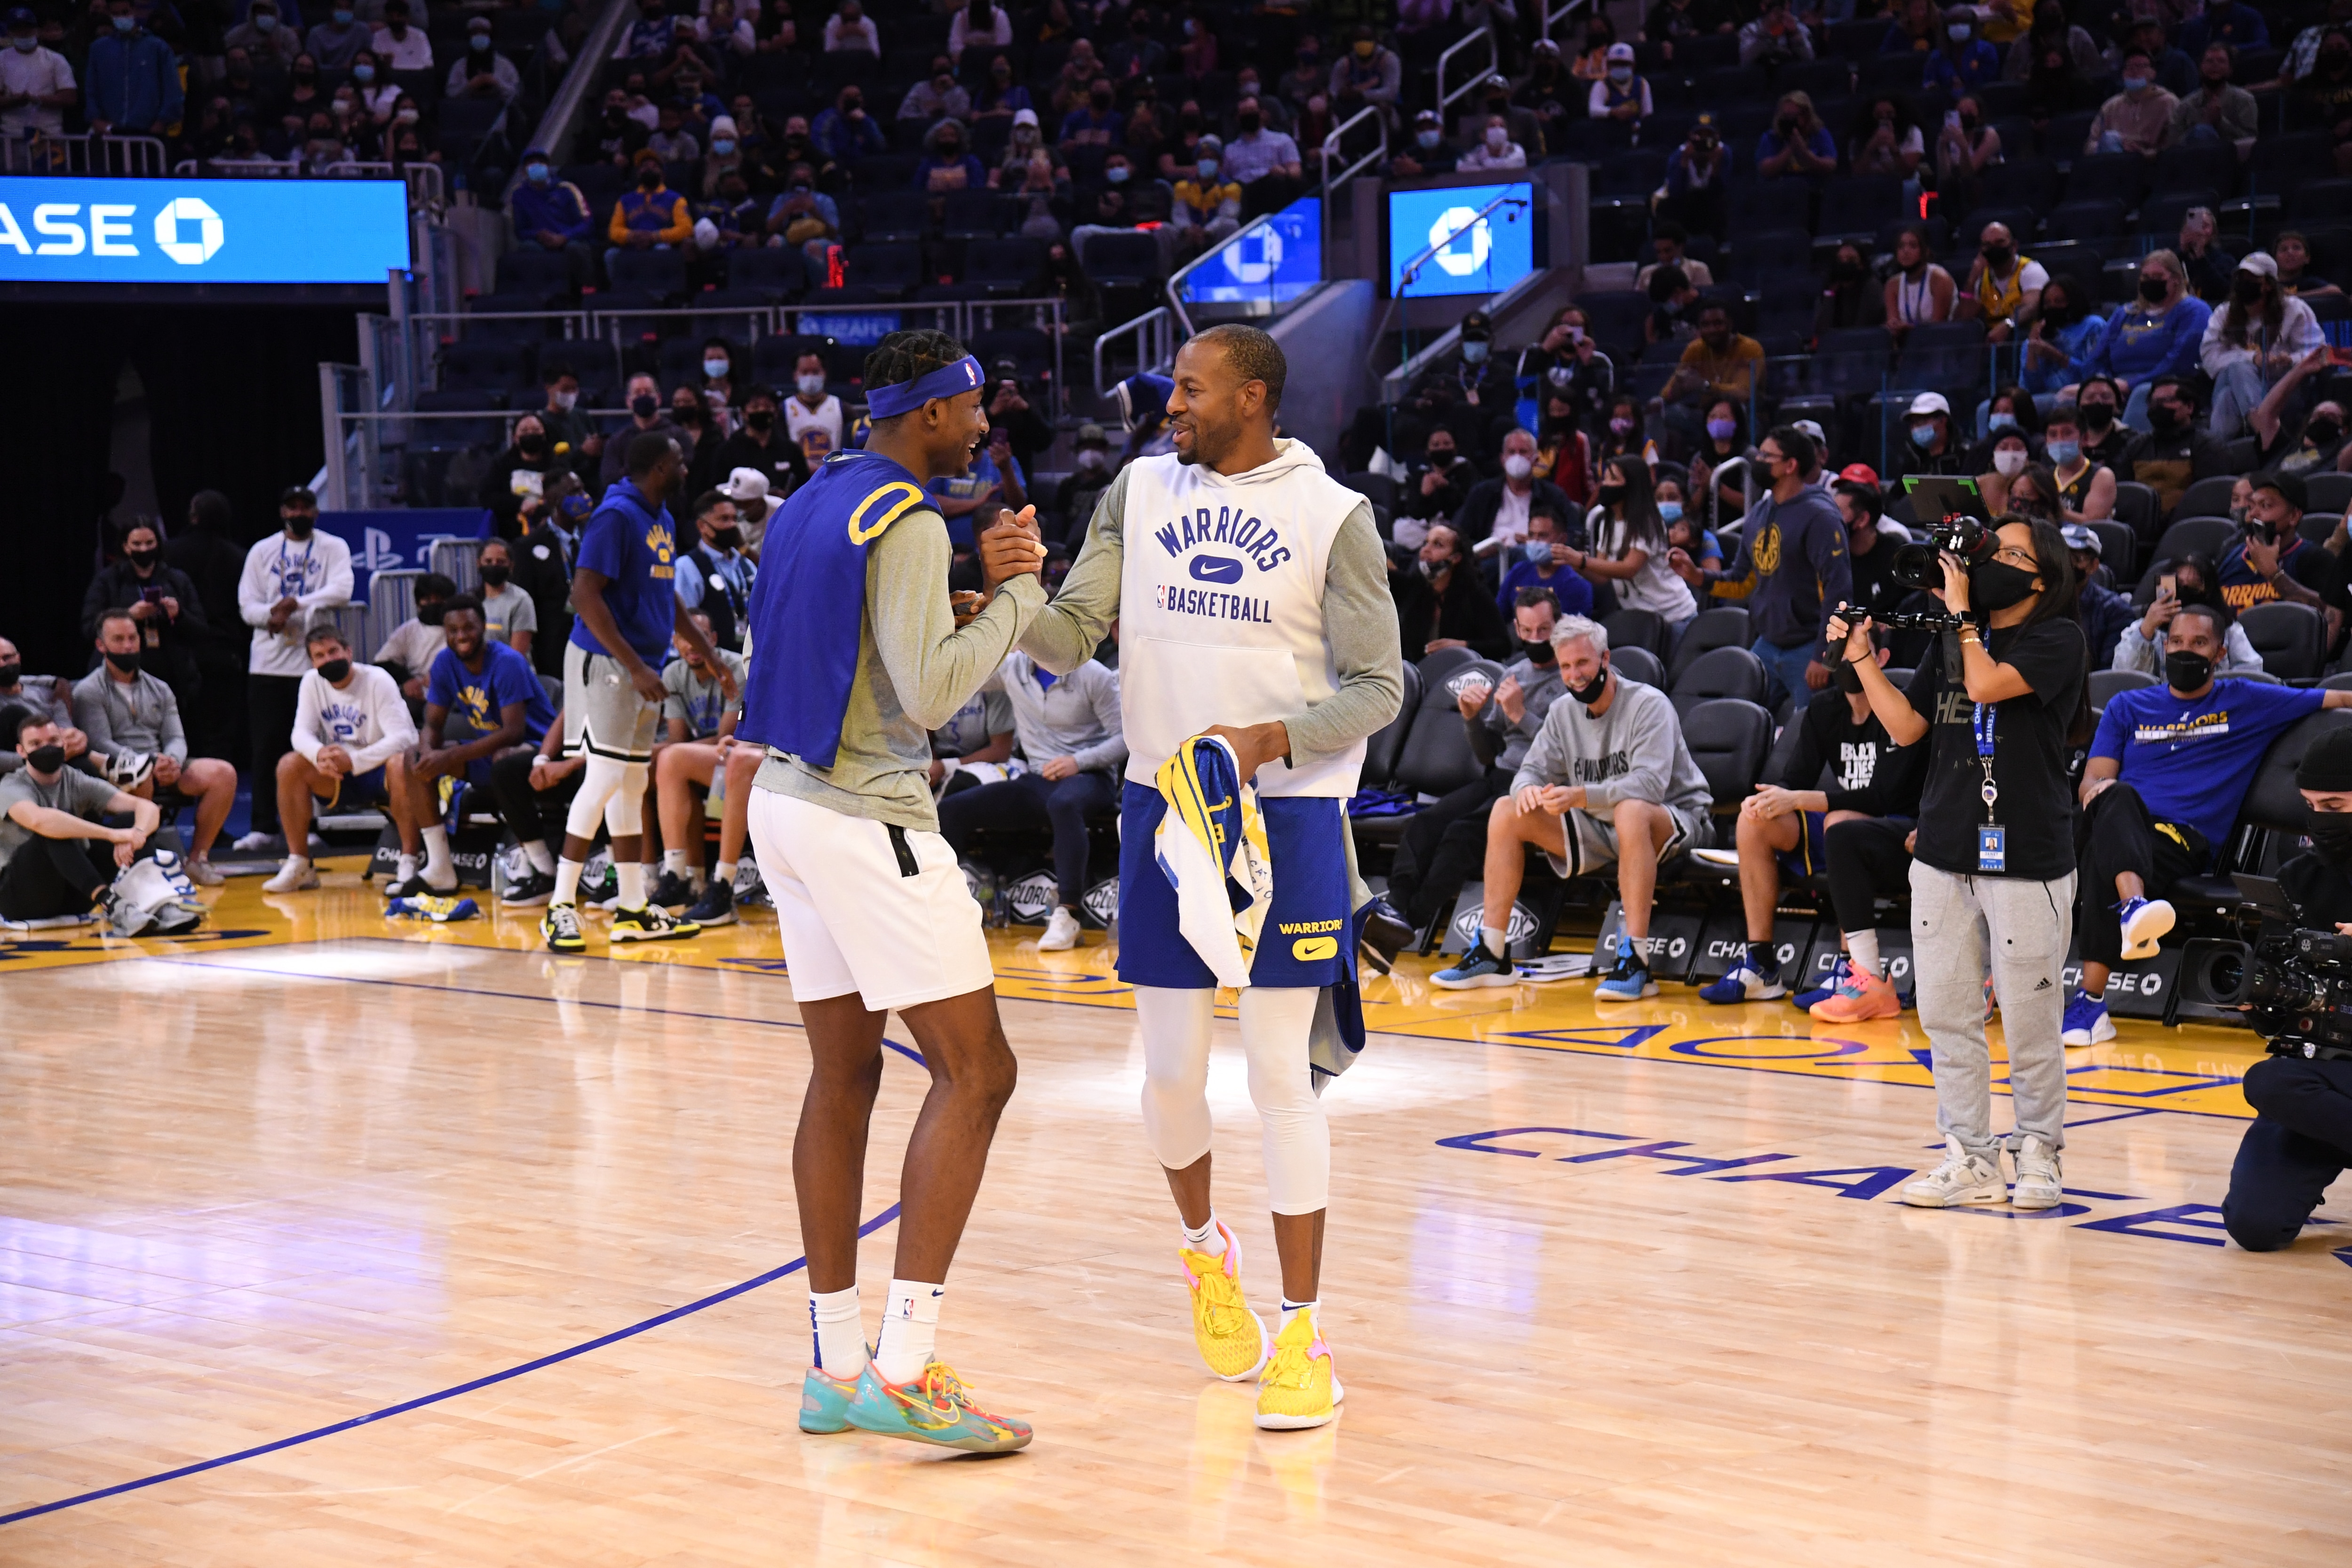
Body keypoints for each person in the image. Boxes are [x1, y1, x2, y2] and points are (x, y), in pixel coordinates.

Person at [1013, 323, 1401, 1433]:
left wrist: (1271, 738)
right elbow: (1068, 635)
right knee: (1174, 1071)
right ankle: (1204, 1251)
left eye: (1190, 387)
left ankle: (1305, 1336)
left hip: (1289, 815)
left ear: (1252, 397)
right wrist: (1012, 591)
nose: (1170, 402)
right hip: (1161, 804)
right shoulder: (1135, 491)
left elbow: (1378, 687)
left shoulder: (1335, 517)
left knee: (1280, 1073)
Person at [736, 329, 1049, 1451]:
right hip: (868, 816)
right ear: (928, 416)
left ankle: (833, 1368)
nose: (981, 422)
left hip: (782, 797)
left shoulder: (814, 497)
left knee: (844, 1073)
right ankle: (906, 1371)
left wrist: (958, 597)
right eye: (971, 407)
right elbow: (927, 700)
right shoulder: (909, 518)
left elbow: (853, 651)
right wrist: (1013, 598)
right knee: (980, 1071)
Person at [1826, 516, 2087, 1210]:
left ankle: (2039, 1151)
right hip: (1944, 853)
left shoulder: (2059, 638)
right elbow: (1908, 728)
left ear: (2043, 575)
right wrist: (1861, 659)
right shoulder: (1953, 637)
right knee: (1946, 1016)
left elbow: (1986, 688)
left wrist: (1963, 616)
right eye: (1988, 550)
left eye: (2010, 553)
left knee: (2031, 1024)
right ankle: (1970, 1154)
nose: (1990, 561)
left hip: (2028, 857)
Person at [2069, 606, 2352, 1045]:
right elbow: (2094, 780)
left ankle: (2091, 998)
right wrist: (2101, 798)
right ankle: (2133, 910)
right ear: (2164, 648)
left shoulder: (2246, 699)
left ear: (2220, 653)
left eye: (2199, 643)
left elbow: (2335, 699)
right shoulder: (2128, 705)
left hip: (2178, 839)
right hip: (2112, 817)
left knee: (2101, 858)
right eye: (2177, 642)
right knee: (2117, 796)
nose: (2186, 650)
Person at [1433, 613, 1713, 999]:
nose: (1575, 674)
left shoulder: (1649, 705)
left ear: (1605, 658)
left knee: (1630, 810)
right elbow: (1529, 769)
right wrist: (1527, 790)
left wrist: (1580, 795)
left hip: (1673, 817)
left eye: (1582, 662)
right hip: (1602, 825)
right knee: (1505, 810)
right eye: (1566, 666)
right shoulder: (1563, 711)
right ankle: (1492, 953)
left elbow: (1649, 785)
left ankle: (1636, 962)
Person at [541, 433, 734, 951]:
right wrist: (633, 667)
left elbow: (662, 594)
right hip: (605, 662)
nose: (685, 468)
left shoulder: (662, 519)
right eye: (677, 461)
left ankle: (631, 907)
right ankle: (559, 905)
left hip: (640, 664)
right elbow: (584, 594)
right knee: (605, 776)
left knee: (631, 784)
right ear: (655, 469)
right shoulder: (616, 516)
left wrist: (711, 657)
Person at [1699, 624, 1929, 1006]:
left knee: (1843, 823)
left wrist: (1801, 798)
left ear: (1883, 659)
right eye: (1837, 649)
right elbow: (1793, 783)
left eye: (1857, 648)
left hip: (1896, 829)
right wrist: (1771, 800)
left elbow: (1883, 797)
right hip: (1842, 824)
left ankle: (1850, 967)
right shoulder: (1824, 709)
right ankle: (1760, 963)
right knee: (1754, 820)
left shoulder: (1900, 710)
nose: (1845, 657)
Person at [2222, 726, 2352, 1252]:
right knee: (2252, 1226)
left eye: (2334, 804)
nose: (2319, 819)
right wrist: (2261, 1001)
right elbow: (2284, 1009)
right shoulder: (2297, 877)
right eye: (2308, 805)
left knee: (2271, 1084)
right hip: (2321, 1070)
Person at [1388, 589, 1569, 938]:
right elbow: (1488, 754)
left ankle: (1413, 920)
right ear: (1516, 627)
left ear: (1558, 625)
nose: (1535, 639)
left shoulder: (1572, 677)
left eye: (1544, 630)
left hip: (1541, 784)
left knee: (1463, 833)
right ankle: (1394, 905)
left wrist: (1521, 714)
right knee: (1426, 821)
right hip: (1499, 776)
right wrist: (1471, 718)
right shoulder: (1513, 675)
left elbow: (1568, 749)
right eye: (1527, 631)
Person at [938, 651, 1123, 950]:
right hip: (1037, 780)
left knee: (1063, 804)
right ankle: (941, 906)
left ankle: (1068, 915)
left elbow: (1125, 739)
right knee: (952, 809)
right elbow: (959, 676)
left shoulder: (1094, 675)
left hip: (1091, 778)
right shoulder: (1012, 668)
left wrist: (1078, 761)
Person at [1675, 426, 1851, 707]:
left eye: (1767, 456)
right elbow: (1743, 581)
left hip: (1808, 649)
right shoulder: (1759, 513)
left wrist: (1824, 656)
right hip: (1766, 645)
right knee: (1739, 722)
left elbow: (1838, 594)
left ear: (1790, 466)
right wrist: (1697, 576)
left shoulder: (1821, 517)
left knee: (1808, 736)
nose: (1757, 461)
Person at [400, 595, 557, 899]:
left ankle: (542, 867)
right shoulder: (444, 662)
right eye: (453, 630)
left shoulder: (508, 661)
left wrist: (450, 755)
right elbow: (432, 723)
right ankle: (439, 866)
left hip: (538, 750)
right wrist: (429, 754)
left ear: (483, 627)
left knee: (503, 758)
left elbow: (513, 733)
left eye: (469, 628)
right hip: (488, 751)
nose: (461, 636)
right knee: (413, 757)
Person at [72, 609, 236, 884]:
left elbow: (176, 737)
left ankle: (197, 860)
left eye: (133, 638)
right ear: (102, 646)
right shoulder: (88, 692)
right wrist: (148, 762)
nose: (128, 646)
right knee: (140, 775)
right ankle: (144, 863)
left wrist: (171, 760)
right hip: (116, 769)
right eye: (119, 639)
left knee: (223, 773)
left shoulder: (160, 688)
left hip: (160, 764)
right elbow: (100, 743)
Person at [235, 487, 353, 851]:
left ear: (316, 511)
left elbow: (343, 589)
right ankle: (262, 826)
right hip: (269, 663)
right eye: (293, 506)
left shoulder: (333, 547)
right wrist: (272, 615)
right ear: (283, 510)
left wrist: (295, 604)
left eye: (306, 506)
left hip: (313, 664)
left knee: (312, 744)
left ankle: (310, 823)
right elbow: (246, 604)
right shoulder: (262, 550)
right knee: (266, 746)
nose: (299, 512)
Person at [264, 625, 421, 893]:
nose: (328, 659)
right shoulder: (311, 682)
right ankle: (300, 864)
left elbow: (404, 738)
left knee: (399, 763)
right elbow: (300, 733)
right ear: (313, 662)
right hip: (345, 771)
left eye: (333, 651)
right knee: (290, 765)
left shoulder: (377, 679)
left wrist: (356, 760)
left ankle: (409, 861)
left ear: (348, 652)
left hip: (383, 767)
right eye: (320, 655)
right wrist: (319, 754)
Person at [0, 707, 164, 931]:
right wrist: (112, 835)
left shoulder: (75, 779)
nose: (46, 748)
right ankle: (112, 904)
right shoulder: (11, 785)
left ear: (64, 744)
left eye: (53, 740)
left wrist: (136, 835)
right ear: (21, 751)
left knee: (130, 821)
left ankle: (155, 903)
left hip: (73, 892)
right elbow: (41, 821)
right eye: (36, 744)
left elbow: (147, 807)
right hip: (20, 896)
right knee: (53, 833)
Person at [645, 611, 749, 907]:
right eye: (684, 639)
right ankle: (668, 876)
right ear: (675, 643)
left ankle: (678, 875)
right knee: (638, 767)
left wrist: (669, 752)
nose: (692, 645)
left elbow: (724, 738)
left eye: (700, 637)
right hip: (702, 758)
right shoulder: (673, 674)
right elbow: (677, 738)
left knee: (672, 759)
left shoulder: (733, 667)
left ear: (713, 640)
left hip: (736, 752)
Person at [80, 520, 207, 708]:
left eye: (150, 543)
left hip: (173, 678)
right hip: (121, 679)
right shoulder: (108, 581)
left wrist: (179, 614)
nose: (144, 549)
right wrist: (128, 616)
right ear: (126, 547)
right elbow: (89, 628)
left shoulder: (177, 580)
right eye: (137, 544)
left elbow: (201, 631)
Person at [2203, 254, 2327, 442]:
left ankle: (2219, 452)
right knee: (2238, 369)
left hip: (2281, 383)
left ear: (2268, 285)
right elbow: (2210, 357)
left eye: (2252, 280)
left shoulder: (2294, 309)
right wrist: (2252, 358)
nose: (2244, 284)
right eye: (2241, 279)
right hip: (2238, 381)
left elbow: (2317, 351)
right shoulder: (2223, 313)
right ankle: (2264, 429)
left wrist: (2291, 359)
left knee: (2227, 399)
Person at [1571, 453, 1696, 634]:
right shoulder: (1608, 522)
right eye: (1605, 478)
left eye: (1613, 479)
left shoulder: (1647, 521)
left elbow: (1630, 568)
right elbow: (1602, 575)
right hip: (1641, 620)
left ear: (1631, 486)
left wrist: (1583, 561)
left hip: (1675, 617)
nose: (1605, 485)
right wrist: (1574, 563)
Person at [2118, 376, 2233, 518]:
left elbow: (2209, 498)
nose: (2158, 407)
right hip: (2139, 528)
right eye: (2153, 402)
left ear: (2189, 407)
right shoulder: (2136, 446)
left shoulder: (2208, 445)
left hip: (2187, 529)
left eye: (2167, 401)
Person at [1454, 429, 1573, 564]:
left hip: (1538, 564)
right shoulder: (1482, 493)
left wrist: (1541, 545)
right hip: (1490, 562)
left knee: (1520, 555)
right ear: (1502, 459)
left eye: (1523, 452)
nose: (1517, 458)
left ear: (1536, 460)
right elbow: (1460, 535)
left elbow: (1573, 535)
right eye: (1511, 452)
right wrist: (1484, 550)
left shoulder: (1554, 496)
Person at [1394, 523, 1509, 661]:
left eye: (1438, 545)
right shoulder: (1414, 588)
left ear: (1456, 558)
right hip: (1418, 675)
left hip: (1461, 674)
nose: (1426, 550)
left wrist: (1463, 646)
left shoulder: (1475, 594)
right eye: (1426, 543)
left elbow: (1504, 646)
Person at [674, 490, 756, 652]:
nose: (732, 525)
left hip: (750, 659)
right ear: (702, 526)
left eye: (735, 519)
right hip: (713, 661)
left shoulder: (746, 564)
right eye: (724, 519)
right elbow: (684, 623)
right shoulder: (688, 566)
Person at [85, 0, 182, 137]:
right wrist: (96, 120)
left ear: (135, 11)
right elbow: (91, 89)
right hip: (110, 132)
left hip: (149, 131)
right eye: (116, 14)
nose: (121, 18)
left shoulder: (157, 48)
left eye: (125, 12)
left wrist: (161, 123)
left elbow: (172, 90)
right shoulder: (98, 49)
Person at [1958, 221, 2046, 344]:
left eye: (2000, 242)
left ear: (2014, 246)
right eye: (1987, 245)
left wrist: (2008, 325)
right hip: (1994, 343)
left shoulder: (2030, 270)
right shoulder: (1982, 278)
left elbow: (2031, 308)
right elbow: (1964, 319)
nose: (1994, 249)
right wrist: (1972, 279)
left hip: (2026, 339)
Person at [1494, 510, 1595, 618]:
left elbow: (1570, 630)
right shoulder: (1518, 571)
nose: (1535, 541)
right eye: (1531, 535)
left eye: (1543, 536)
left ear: (1562, 539)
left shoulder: (1575, 583)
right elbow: (1498, 616)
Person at [373, 572, 454, 702]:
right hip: (418, 693)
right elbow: (382, 663)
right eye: (427, 600)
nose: (433, 604)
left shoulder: (460, 628)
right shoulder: (408, 630)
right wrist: (407, 680)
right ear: (418, 603)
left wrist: (442, 675)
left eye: (439, 599)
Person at [2087, 49, 2177, 154]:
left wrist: (2150, 151)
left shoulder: (2168, 102)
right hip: (2116, 157)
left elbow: (2176, 141)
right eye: (2129, 67)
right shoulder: (2111, 106)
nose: (2134, 71)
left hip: (2153, 160)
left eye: (2140, 66)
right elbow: (2091, 143)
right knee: (2109, 138)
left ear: (2153, 73)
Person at [1884, 224, 1959, 340]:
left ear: (1925, 251)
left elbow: (1938, 326)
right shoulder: (1892, 285)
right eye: (1901, 247)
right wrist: (1894, 327)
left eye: (1913, 246)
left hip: (1941, 344)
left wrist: (1909, 328)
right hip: (1907, 346)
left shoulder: (1939, 278)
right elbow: (1893, 326)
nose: (1906, 251)